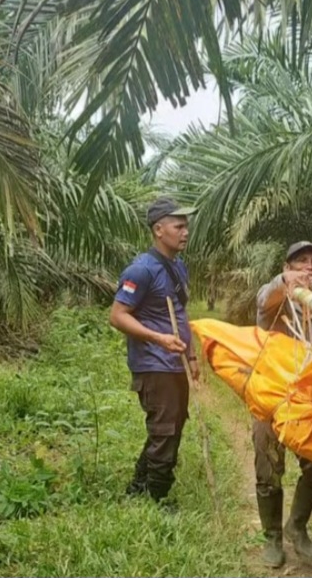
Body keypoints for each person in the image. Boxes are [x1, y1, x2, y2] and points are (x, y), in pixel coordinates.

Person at [109, 197, 200, 503]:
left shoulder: (179, 267)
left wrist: (191, 354)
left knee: (170, 428)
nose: (185, 232)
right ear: (159, 230)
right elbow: (118, 316)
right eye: (179, 226)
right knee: (164, 432)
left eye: (186, 226)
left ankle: (139, 489)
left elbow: (181, 312)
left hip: (175, 363)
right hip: (153, 364)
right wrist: (158, 338)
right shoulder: (141, 270)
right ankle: (156, 500)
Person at [253, 241, 312, 567]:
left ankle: (296, 526)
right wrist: (285, 283)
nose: (309, 267)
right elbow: (266, 297)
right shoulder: (275, 302)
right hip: (271, 397)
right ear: (287, 267)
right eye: (301, 261)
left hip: (309, 402)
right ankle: (272, 536)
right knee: (267, 466)